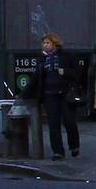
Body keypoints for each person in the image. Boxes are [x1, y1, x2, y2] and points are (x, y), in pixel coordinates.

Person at [37, 33, 79, 161]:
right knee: (53, 124)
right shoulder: (42, 59)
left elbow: (77, 72)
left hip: (64, 93)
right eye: (44, 43)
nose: (45, 45)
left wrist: (65, 72)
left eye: (47, 43)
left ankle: (74, 145)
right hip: (49, 94)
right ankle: (58, 151)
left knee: (69, 121)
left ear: (54, 44)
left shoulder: (66, 56)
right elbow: (36, 78)